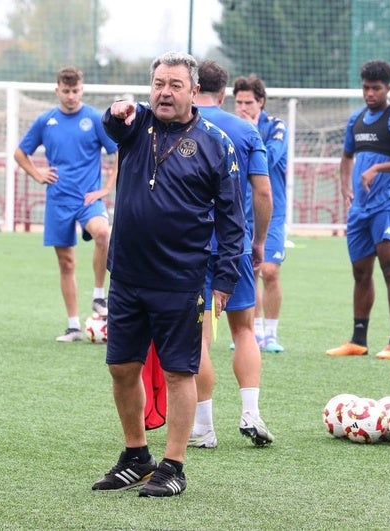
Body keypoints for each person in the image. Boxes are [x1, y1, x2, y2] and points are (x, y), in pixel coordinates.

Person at [92, 52, 245, 497]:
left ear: (194, 91)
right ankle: (136, 455)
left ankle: (173, 465)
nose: (164, 91)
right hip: (126, 276)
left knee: (180, 372)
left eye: (175, 84)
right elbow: (113, 123)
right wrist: (115, 109)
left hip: (181, 278)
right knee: (122, 367)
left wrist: (223, 279)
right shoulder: (137, 124)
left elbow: (232, 219)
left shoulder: (217, 143)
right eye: (158, 83)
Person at [188, 60, 273, 449]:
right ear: (223, 94)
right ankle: (251, 412)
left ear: (192, 87)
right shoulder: (245, 128)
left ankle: (204, 427)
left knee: (197, 337)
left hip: (189, 247)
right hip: (234, 244)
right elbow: (263, 192)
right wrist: (258, 242)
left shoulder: (179, 125)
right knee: (243, 329)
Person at [325, 59, 390, 360]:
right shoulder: (356, 119)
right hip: (360, 210)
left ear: (388, 88)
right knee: (360, 272)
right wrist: (345, 186)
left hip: (387, 207)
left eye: (376, 88)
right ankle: (358, 339)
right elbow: (346, 157)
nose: (370, 93)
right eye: (366, 88)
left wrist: (379, 166)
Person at [14, 66, 118, 342]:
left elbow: (118, 152)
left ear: (82, 90)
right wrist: (38, 175)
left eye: (75, 91)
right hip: (58, 200)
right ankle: (73, 326)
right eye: (66, 90)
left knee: (104, 234)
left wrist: (106, 188)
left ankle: (99, 296)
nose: (71, 96)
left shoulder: (95, 119)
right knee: (67, 263)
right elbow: (20, 153)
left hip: (88, 199)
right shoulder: (45, 121)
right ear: (57, 90)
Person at [234, 74, 289, 353]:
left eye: (248, 102)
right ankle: (253, 332)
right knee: (250, 271)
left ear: (261, 102)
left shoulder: (277, 126)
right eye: (239, 102)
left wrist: (251, 134)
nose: (243, 108)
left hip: (272, 213)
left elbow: (270, 158)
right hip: (241, 212)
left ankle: (272, 333)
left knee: (269, 270)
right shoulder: (231, 128)